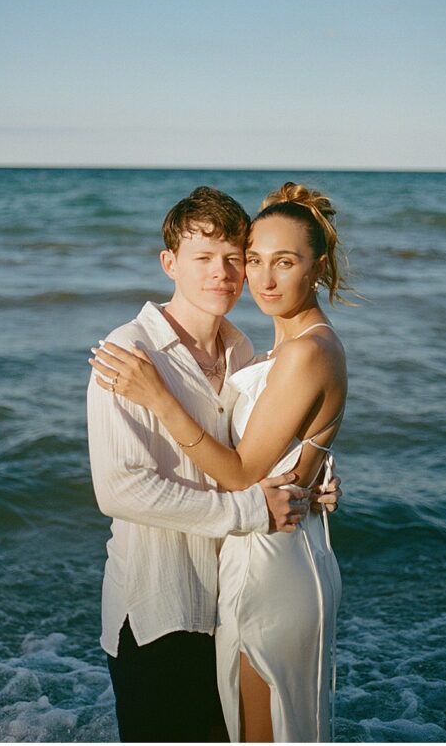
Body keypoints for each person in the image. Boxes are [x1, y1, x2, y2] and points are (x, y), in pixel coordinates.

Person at [92, 182, 347, 742]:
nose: (225, 273)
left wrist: (314, 472)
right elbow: (119, 491)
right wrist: (254, 509)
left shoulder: (242, 351)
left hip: (230, 592)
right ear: (169, 263)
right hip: (162, 604)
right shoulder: (129, 352)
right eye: (203, 257)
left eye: (237, 258)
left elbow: (263, 449)